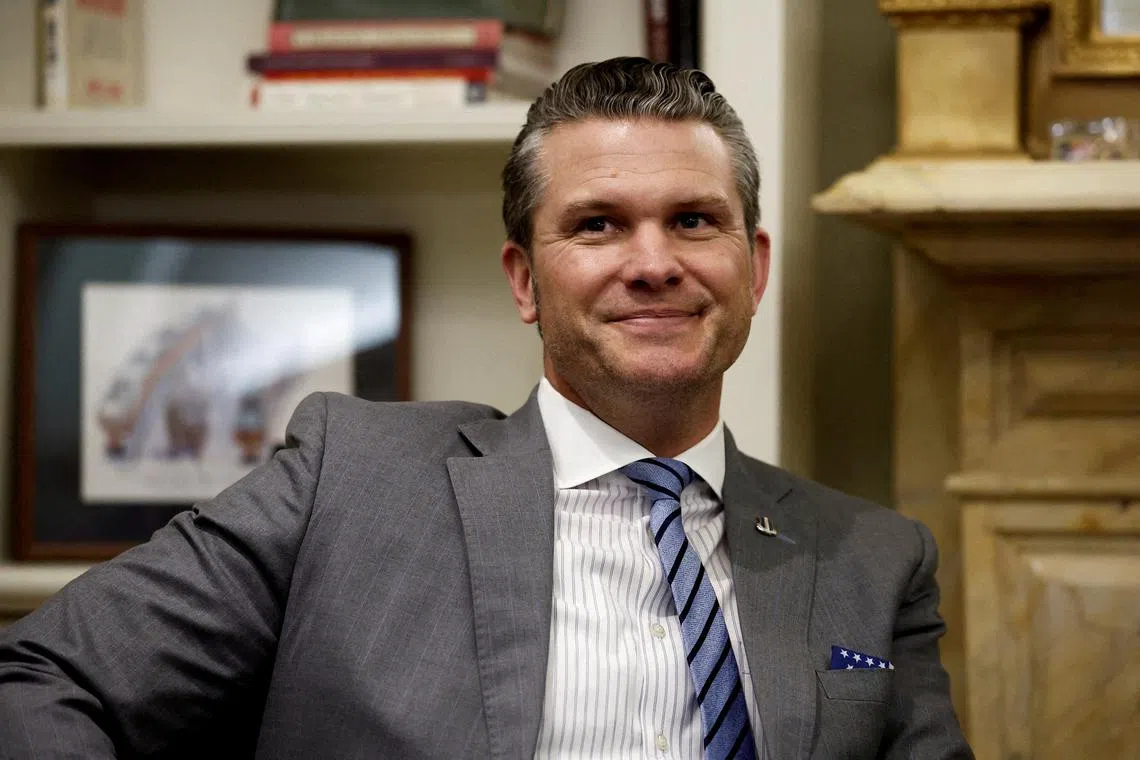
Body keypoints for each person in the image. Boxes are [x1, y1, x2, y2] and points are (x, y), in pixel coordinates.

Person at [0, 57, 972, 759]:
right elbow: (42, 680)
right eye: (598, 224)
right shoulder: (348, 478)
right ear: (525, 279)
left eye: (693, 220)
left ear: (753, 266)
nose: (653, 262)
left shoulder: (876, 563)